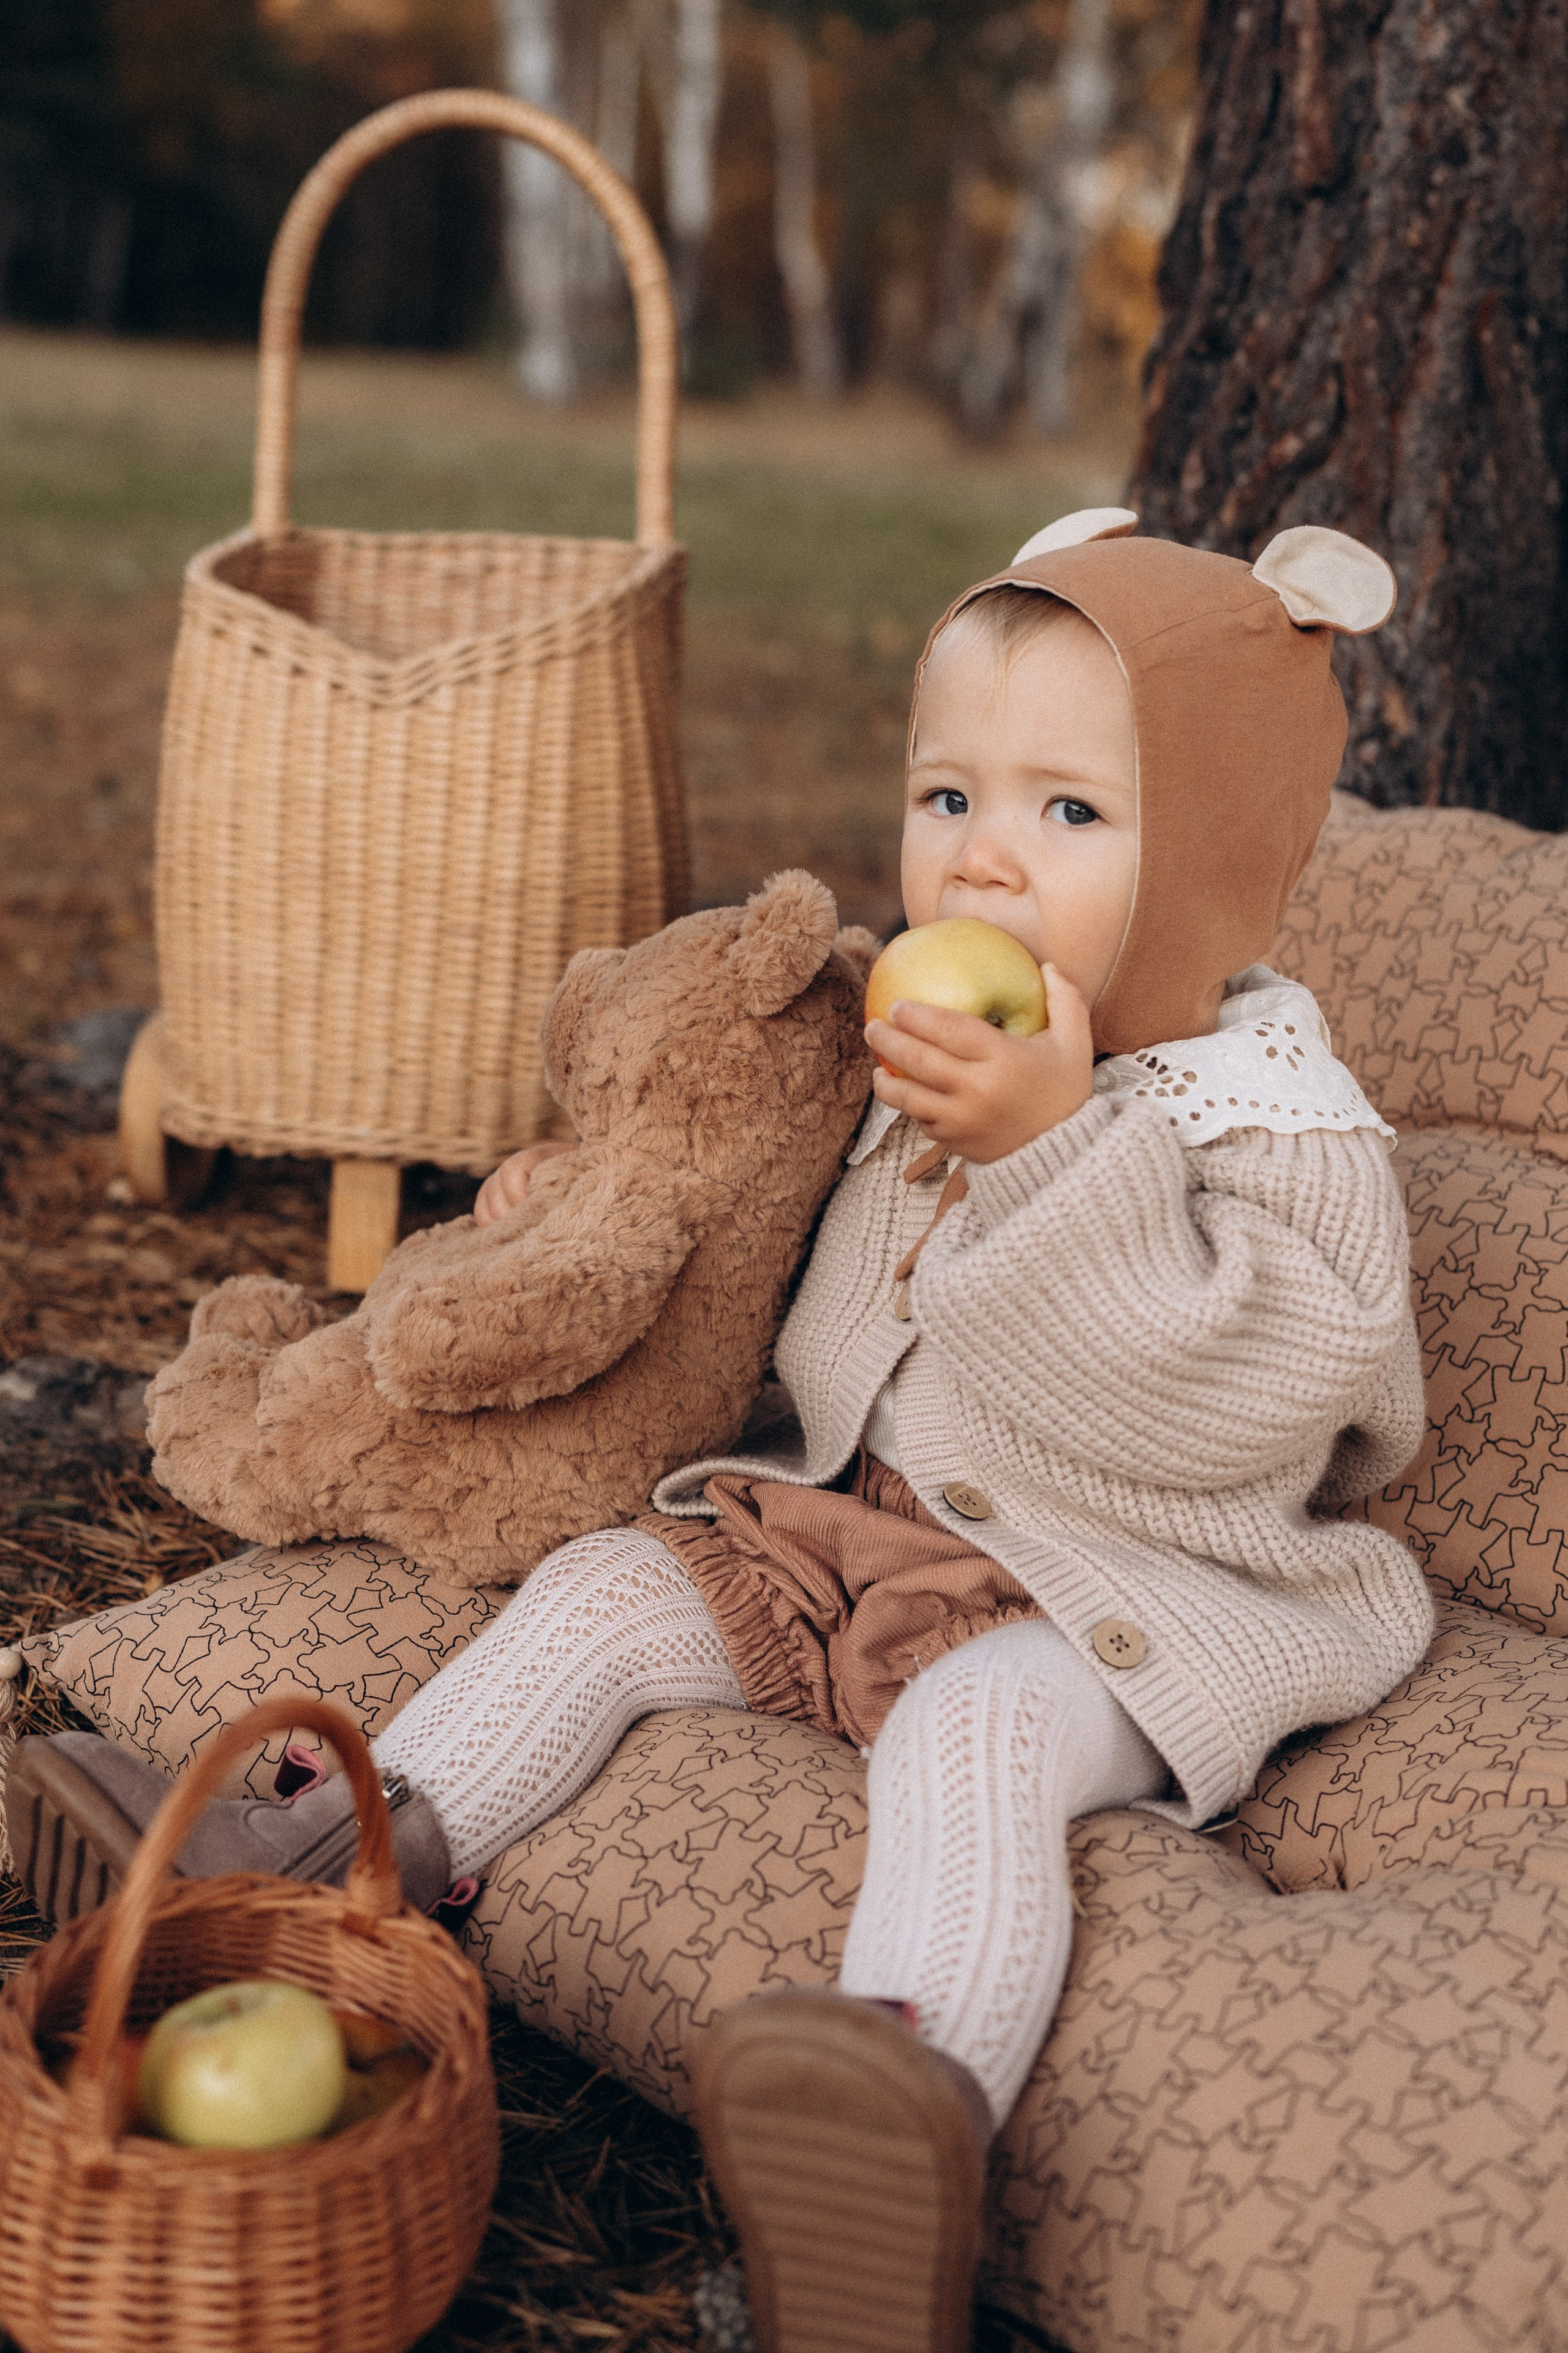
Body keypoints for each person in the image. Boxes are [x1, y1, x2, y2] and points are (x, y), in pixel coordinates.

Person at [11, 512, 1434, 2353]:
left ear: (1224, 858)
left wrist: (1056, 1147)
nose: (985, 855)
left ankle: (890, 2112)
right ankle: (317, 1872)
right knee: (607, 1592)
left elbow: (1210, 1404)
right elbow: (769, 1257)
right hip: (839, 1529)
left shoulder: (1286, 1132)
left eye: (1072, 813)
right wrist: (578, 1204)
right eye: (948, 795)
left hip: (1114, 1586)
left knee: (973, 1745)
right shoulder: (930, 1045)